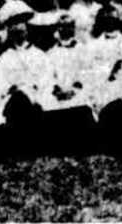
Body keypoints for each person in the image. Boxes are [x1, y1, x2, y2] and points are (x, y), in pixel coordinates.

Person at [0, 0, 49, 130]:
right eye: (13, 23)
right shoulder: (4, 60)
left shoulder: (40, 56)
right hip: (11, 116)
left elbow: (48, 86)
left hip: (36, 114)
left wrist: (33, 94)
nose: (19, 27)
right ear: (8, 29)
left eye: (21, 22)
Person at [41, 13, 96, 150]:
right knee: (49, 102)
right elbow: (48, 76)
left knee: (81, 102)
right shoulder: (51, 53)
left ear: (73, 29)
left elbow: (87, 73)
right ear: (58, 29)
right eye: (62, 26)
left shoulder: (84, 50)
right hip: (58, 94)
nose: (65, 30)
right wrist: (56, 90)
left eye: (69, 26)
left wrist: (74, 90)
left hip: (77, 92)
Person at [87, 3, 122, 136]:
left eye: (112, 18)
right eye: (106, 18)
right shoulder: (94, 45)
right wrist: (108, 72)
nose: (109, 21)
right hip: (101, 92)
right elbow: (91, 73)